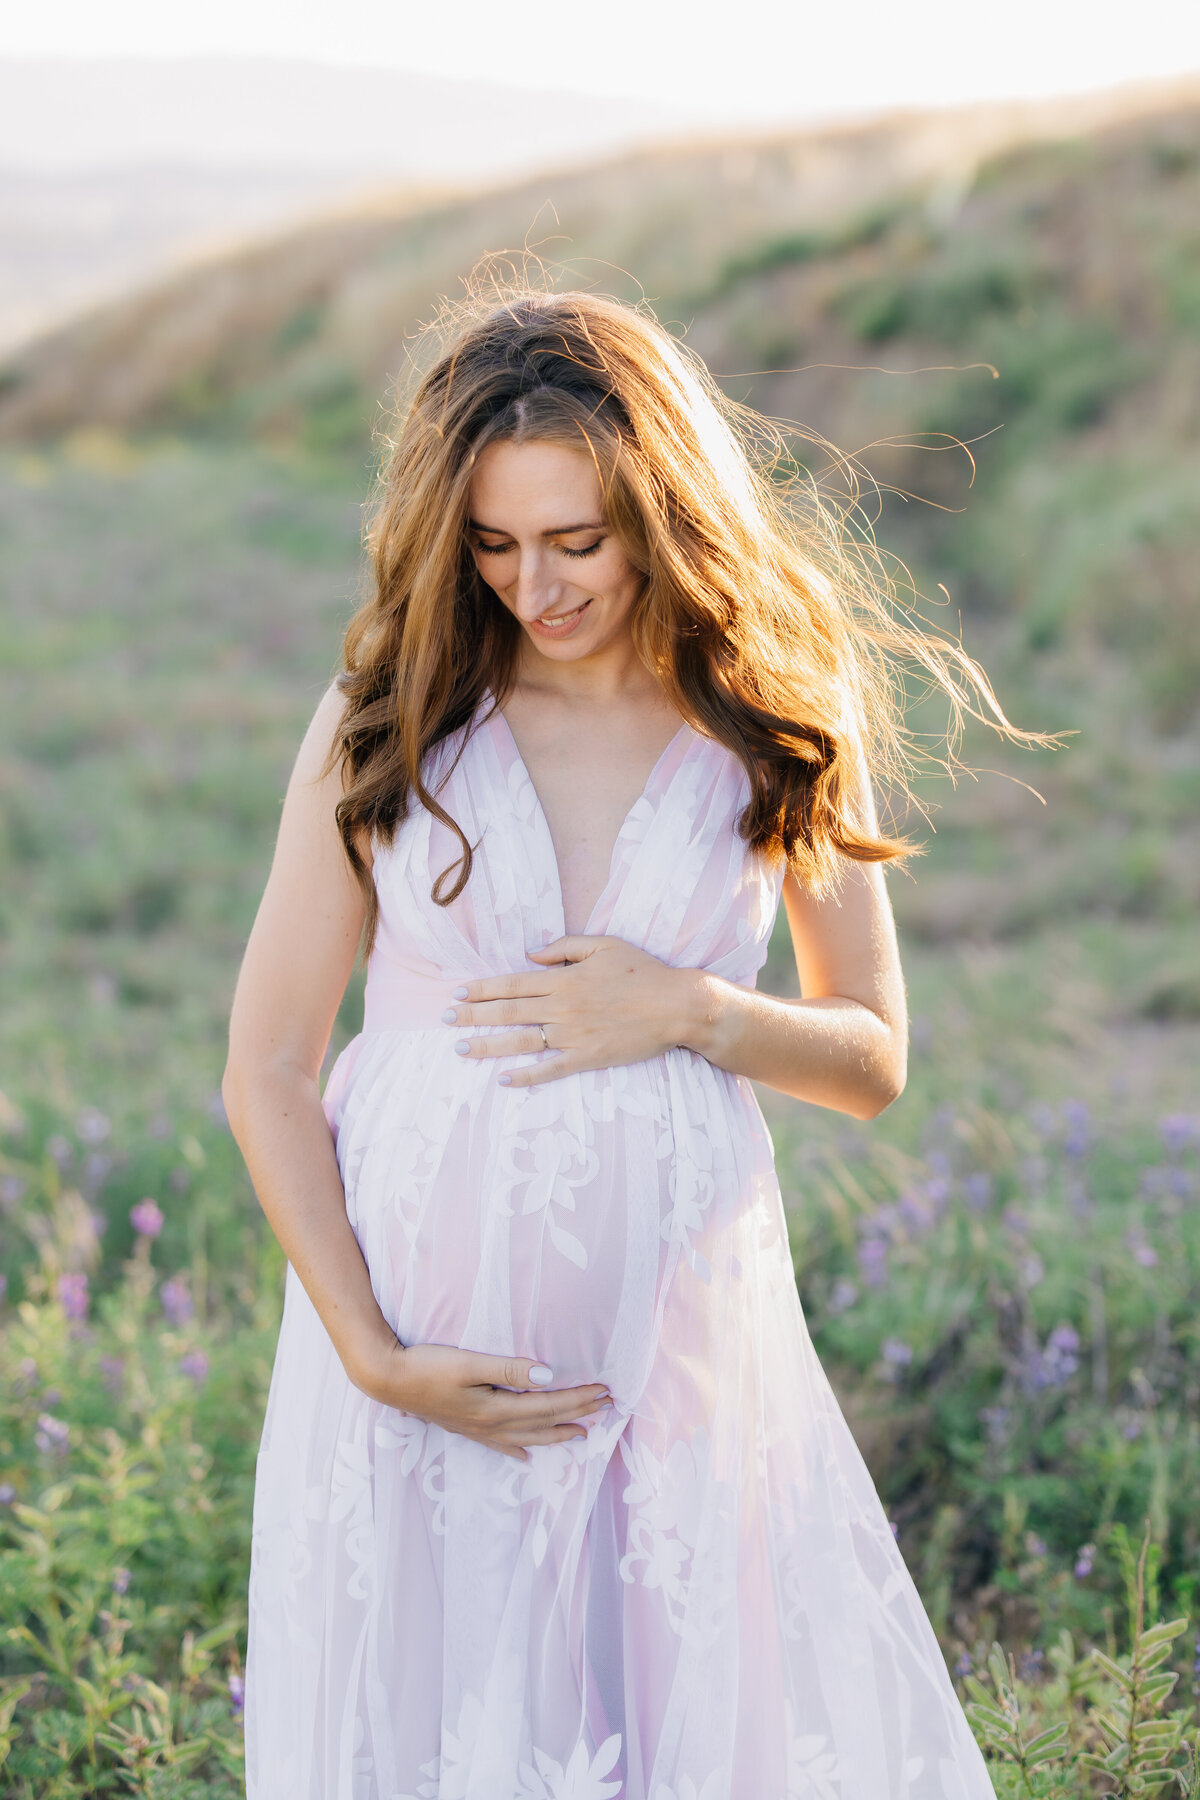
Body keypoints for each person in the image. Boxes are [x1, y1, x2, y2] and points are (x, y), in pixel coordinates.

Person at [223, 284, 1029, 1798]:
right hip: (416, 1361)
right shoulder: (389, 719)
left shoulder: (769, 717)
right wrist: (372, 1354)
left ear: (661, 507)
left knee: (682, 1729)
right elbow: (266, 1065)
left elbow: (871, 1058)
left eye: (578, 540)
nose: (537, 583)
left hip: (681, 1349)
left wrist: (697, 1011)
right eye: (494, 543)